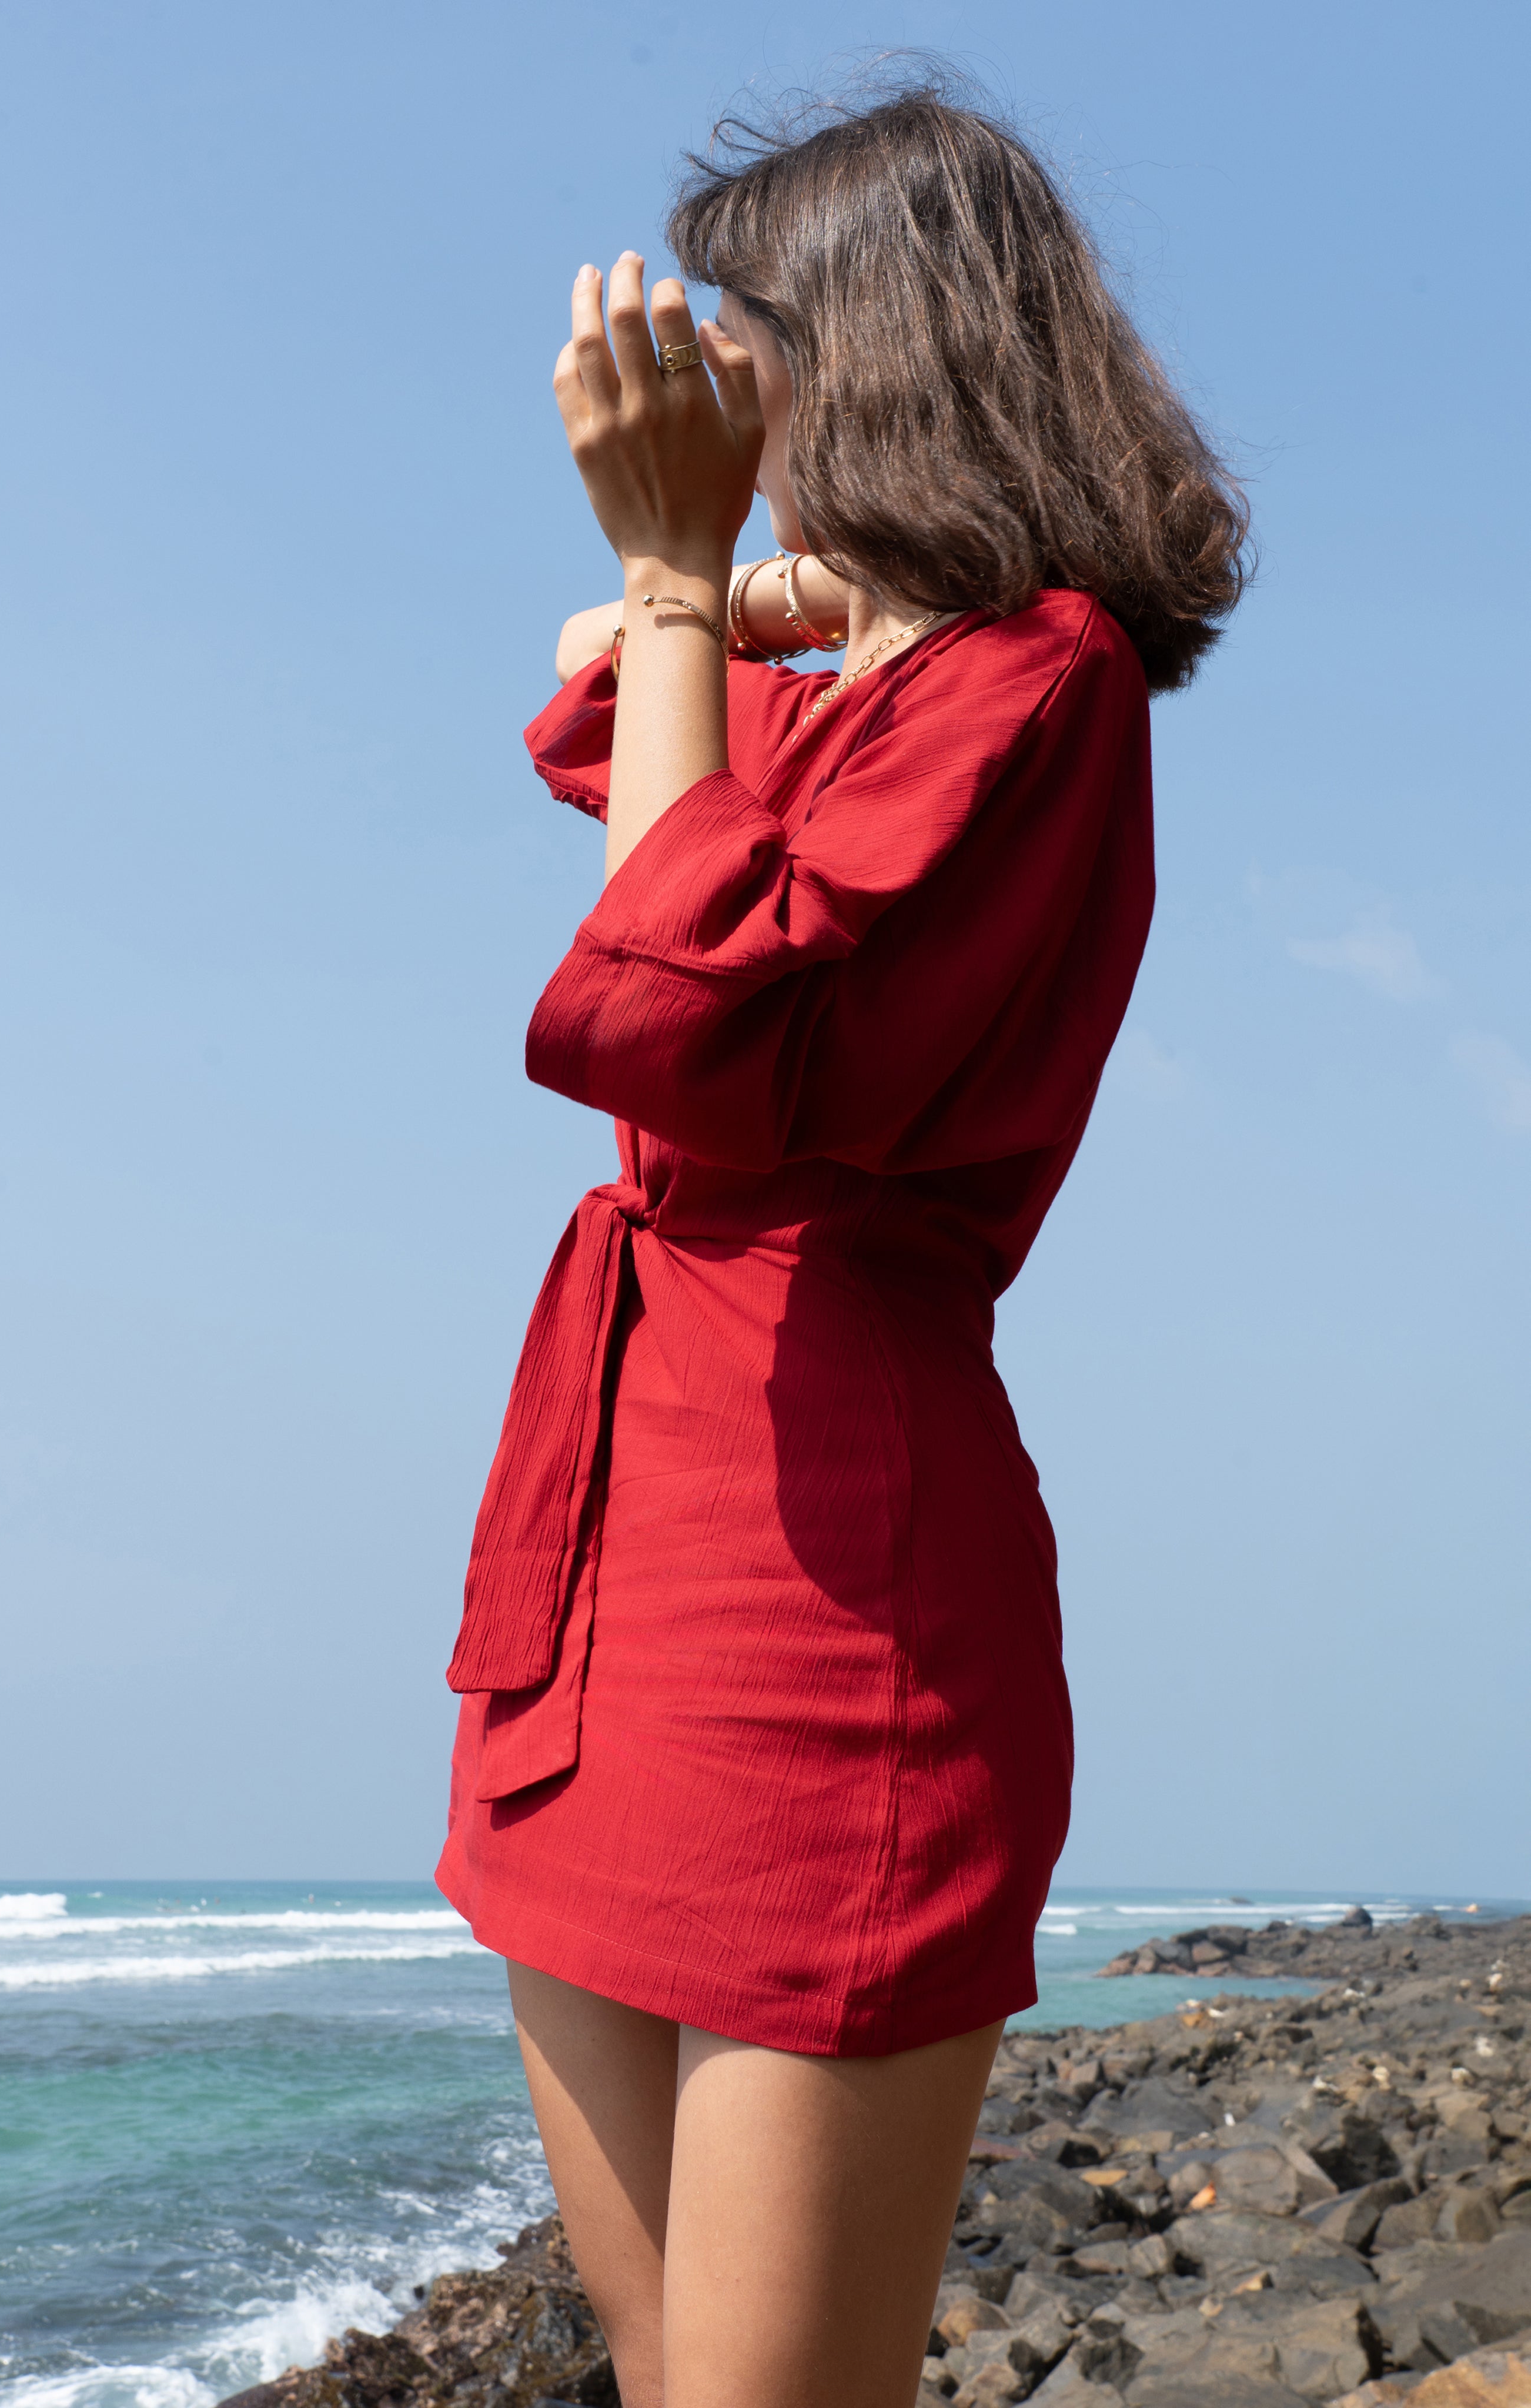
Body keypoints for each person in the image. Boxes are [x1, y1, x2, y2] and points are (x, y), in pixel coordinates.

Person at [436, 83, 1248, 2408]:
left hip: (822, 1580)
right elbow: (599, 713)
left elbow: (671, 1011)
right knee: (657, 2341)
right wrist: (741, 592)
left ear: (868, 350)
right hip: (609, 1539)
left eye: (743, 342)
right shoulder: (887, 680)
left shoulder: (1035, 685)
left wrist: (703, 580)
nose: (709, 397)